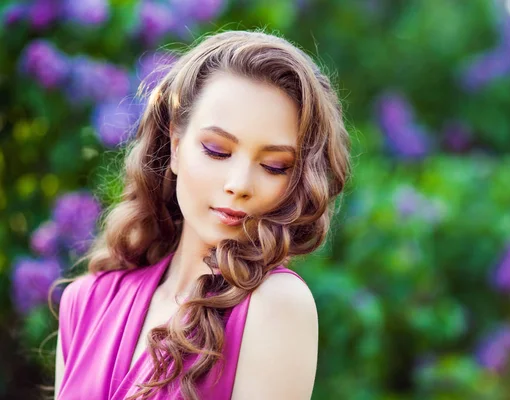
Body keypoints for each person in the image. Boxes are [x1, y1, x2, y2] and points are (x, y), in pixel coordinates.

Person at [53, 29, 351, 400]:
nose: (239, 184)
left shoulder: (276, 305)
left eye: (274, 166)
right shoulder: (86, 302)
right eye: (216, 150)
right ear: (176, 146)